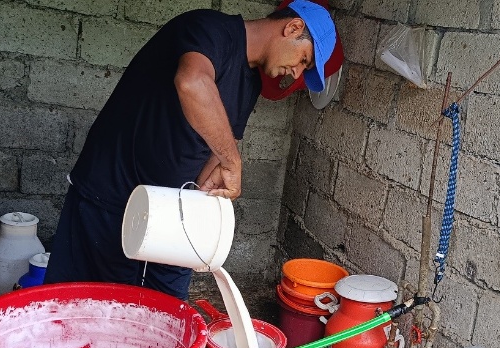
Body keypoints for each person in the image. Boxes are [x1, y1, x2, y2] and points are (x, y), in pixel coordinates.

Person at [43, 0, 337, 300]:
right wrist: (232, 161)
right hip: (111, 199)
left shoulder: (249, 84)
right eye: (303, 60)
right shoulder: (210, 29)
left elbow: (217, 149)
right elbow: (192, 82)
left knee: (169, 309)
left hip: (170, 214)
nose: (296, 73)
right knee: (96, 306)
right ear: (293, 28)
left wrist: (204, 198)